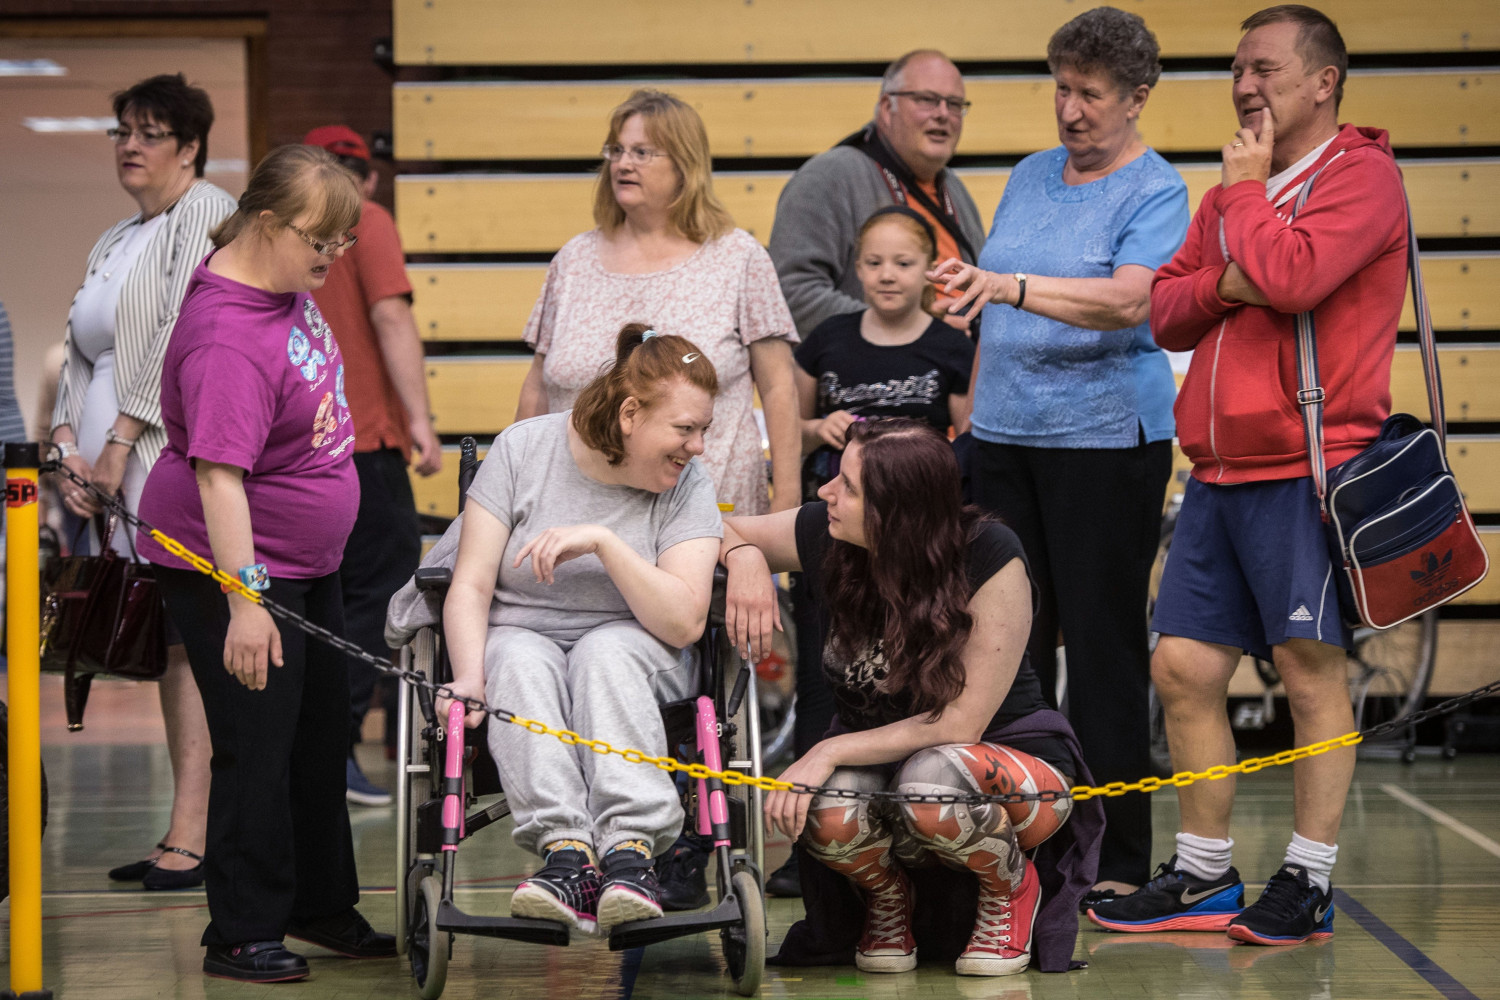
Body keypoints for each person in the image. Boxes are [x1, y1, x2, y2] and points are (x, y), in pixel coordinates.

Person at [1088, 5, 1407, 946]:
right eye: (1237, 69)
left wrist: (1243, 207)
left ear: (1324, 82)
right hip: (1221, 471)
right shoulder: (1240, 190)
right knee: (1181, 666)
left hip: (1310, 466)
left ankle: (1307, 881)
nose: (1245, 85)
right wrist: (1235, 268)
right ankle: (1203, 874)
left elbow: (1297, 278)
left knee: (1309, 672)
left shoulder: (1364, 178)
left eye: (1264, 68)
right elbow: (1167, 311)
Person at [927, 6, 1188, 902]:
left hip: (1105, 447)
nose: (1070, 110)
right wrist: (971, 292)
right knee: (1005, 647)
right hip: (1005, 439)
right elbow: (1003, 287)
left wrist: (1008, 285)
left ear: (1136, 99)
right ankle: (1010, 843)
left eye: (1090, 94)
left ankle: (1112, 861)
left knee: (1105, 649)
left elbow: (1126, 304)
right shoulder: (1032, 174)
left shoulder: (1157, 191)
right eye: (1061, 89)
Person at [138, 144, 395, 982]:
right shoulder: (227, 337)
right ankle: (241, 931)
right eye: (320, 242)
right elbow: (219, 478)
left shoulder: (282, 285)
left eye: (343, 242)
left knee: (319, 735)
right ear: (268, 223)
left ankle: (318, 905)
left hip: (302, 560)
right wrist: (245, 603)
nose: (332, 258)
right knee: (257, 740)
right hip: (241, 566)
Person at [718, 419, 1103, 976]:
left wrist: (825, 750)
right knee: (825, 808)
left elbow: (959, 724)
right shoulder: (828, 532)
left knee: (930, 779)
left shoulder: (991, 554)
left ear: (895, 512)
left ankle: (1012, 888)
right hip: (885, 765)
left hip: (1001, 763)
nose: (826, 492)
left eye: (846, 486)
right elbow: (717, 529)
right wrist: (749, 559)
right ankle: (888, 899)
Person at [433, 324, 723, 937]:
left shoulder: (687, 484)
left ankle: (631, 852)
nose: (697, 447)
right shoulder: (523, 450)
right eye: (684, 429)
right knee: (513, 656)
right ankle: (568, 856)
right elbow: (471, 584)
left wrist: (605, 542)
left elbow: (684, 618)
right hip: (523, 630)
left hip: (640, 645)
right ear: (629, 414)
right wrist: (466, 676)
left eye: (703, 430)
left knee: (605, 651)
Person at [48, 73, 237, 891]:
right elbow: (77, 345)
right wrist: (65, 442)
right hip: (101, 474)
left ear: (189, 147)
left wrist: (121, 439)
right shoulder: (115, 236)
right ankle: (180, 827)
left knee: (186, 647)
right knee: (160, 648)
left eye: (150, 132)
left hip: (161, 458)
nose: (130, 144)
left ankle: (196, 837)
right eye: (122, 130)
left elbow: (172, 332)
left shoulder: (203, 211)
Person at [514, 89, 799, 518]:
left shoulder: (739, 257)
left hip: (711, 512)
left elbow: (779, 388)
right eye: (618, 150)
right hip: (576, 509)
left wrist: (787, 502)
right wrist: (513, 482)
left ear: (685, 166)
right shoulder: (572, 260)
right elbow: (538, 387)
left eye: (643, 152)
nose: (624, 163)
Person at [304, 124, 442, 808]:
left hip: (303, 447)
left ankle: (322, 749)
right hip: (362, 443)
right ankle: (334, 750)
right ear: (370, 176)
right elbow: (391, 318)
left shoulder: (294, 227)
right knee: (380, 592)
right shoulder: (367, 215)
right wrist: (419, 420)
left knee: (326, 598)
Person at [769, 49, 986, 339]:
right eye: (926, 100)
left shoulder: (954, 188)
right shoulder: (827, 177)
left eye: (955, 104)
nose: (943, 114)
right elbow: (792, 294)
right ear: (886, 107)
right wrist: (910, 331)